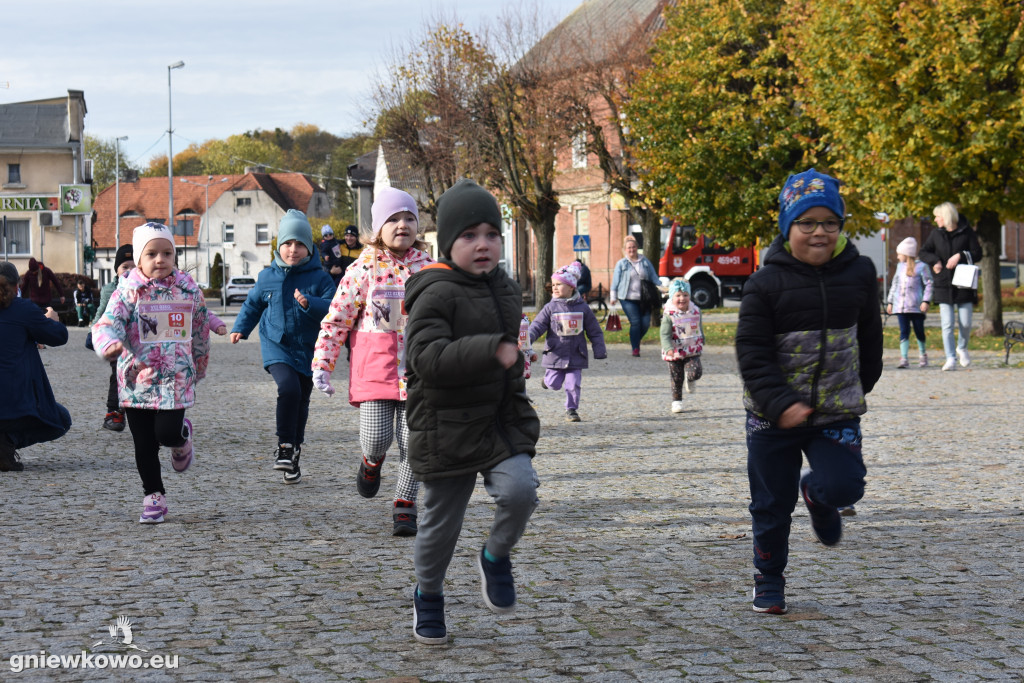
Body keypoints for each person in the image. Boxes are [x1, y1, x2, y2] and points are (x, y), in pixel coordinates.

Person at [735, 168, 883, 615]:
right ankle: (769, 579)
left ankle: (817, 495)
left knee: (845, 486)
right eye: (807, 223)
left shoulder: (859, 273)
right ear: (787, 226)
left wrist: (862, 383)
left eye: (830, 223)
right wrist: (781, 405)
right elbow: (752, 354)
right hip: (771, 415)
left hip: (835, 410)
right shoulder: (764, 284)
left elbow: (870, 338)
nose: (819, 232)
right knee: (771, 505)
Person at [402, 178, 541, 645]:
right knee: (441, 525)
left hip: (498, 421)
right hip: (444, 427)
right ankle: (429, 594)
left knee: (521, 491)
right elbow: (426, 360)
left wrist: (514, 363)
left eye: (491, 234)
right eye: (469, 236)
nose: (482, 245)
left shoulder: (505, 287)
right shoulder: (434, 291)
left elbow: (508, 352)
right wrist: (491, 350)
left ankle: (495, 556)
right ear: (447, 242)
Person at [312, 189, 434, 535]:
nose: (402, 225)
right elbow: (337, 320)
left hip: (420, 371)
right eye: (393, 219)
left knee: (415, 443)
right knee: (377, 438)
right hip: (375, 369)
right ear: (378, 227)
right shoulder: (362, 267)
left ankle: (405, 503)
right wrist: (323, 363)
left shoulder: (429, 268)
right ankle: (371, 462)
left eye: (409, 218)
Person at [92, 222, 211, 524]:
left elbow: (200, 327)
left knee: (166, 433)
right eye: (152, 253)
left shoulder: (188, 289)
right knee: (143, 444)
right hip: (136, 380)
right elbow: (107, 323)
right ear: (139, 259)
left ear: (175, 256)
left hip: (176, 378)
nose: (160, 259)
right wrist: (109, 344)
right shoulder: (127, 292)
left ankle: (182, 439)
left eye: (167, 253)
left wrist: (199, 362)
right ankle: (153, 496)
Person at [231, 210, 336, 485]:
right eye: (288, 244)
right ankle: (284, 446)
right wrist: (240, 328)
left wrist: (309, 303)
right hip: (276, 342)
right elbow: (253, 304)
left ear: (309, 247)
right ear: (279, 246)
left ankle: (294, 453)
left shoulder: (321, 278)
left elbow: (335, 308)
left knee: (301, 400)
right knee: (287, 388)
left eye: (299, 244)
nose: (293, 250)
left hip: (309, 347)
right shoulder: (268, 276)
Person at [0, 261, 72, 472]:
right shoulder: (23, 309)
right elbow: (59, 336)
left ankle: (3, 442)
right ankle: (6, 441)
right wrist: (52, 320)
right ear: (17, 287)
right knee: (61, 419)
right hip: (15, 405)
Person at [528, 261, 606, 422]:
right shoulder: (550, 308)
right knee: (554, 384)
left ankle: (571, 410)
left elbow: (595, 331)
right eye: (554, 284)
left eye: (560, 284)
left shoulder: (583, 308)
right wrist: (527, 338)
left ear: (571, 287)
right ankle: (546, 381)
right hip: (555, 354)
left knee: (573, 384)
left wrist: (599, 350)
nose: (555, 288)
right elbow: (537, 326)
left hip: (576, 354)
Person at [919, 203, 982, 371]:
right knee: (947, 324)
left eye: (937, 216)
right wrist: (935, 261)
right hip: (943, 284)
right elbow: (923, 252)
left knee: (966, 322)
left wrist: (960, 255)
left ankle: (962, 347)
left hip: (964, 284)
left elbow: (977, 253)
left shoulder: (966, 232)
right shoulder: (936, 234)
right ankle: (950, 358)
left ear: (946, 217)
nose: (935, 219)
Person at [97, 244, 135, 432]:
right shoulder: (109, 290)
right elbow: (101, 313)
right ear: (116, 271)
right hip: (117, 342)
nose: (129, 271)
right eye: (124, 267)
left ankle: (142, 410)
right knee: (117, 376)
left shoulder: (144, 287)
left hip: (138, 343)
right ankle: (114, 411)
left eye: (133, 266)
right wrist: (95, 333)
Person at [609, 235, 660, 356]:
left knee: (645, 323)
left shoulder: (645, 261)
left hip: (644, 298)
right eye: (629, 248)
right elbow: (615, 281)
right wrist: (613, 296)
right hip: (627, 298)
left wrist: (662, 288)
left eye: (633, 247)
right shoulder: (621, 264)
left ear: (637, 247)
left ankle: (635, 339)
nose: (631, 250)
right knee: (636, 322)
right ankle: (635, 348)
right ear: (625, 250)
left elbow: (654, 277)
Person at [886, 237, 933, 368]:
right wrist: (890, 302)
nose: (897, 256)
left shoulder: (922, 267)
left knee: (919, 331)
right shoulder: (900, 267)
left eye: (899, 253)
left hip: (916, 307)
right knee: (903, 331)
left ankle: (923, 354)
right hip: (901, 307)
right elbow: (894, 284)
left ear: (906, 254)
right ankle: (904, 358)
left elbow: (929, 284)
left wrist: (926, 300)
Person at [660, 278, 704, 413]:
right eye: (678, 295)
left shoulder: (696, 311)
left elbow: (699, 327)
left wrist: (702, 340)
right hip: (674, 351)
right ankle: (676, 401)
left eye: (685, 295)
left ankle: (690, 379)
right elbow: (664, 334)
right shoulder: (669, 315)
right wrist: (668, 349)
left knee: (696, 372)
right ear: (672, 297)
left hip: (692, 350)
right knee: (676, 377)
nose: (682, 299)